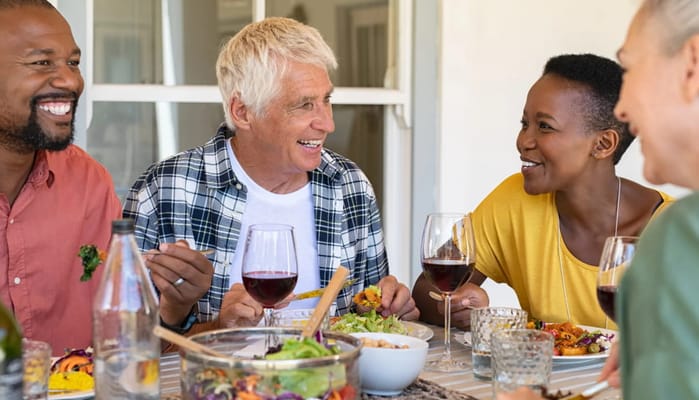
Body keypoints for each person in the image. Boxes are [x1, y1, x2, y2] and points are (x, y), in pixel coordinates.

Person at [123, 16, 419, 336]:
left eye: (326, 100)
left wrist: (387, 306)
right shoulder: (165, 190)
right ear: (243, 112)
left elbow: (372, 320)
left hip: (330, 383)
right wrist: (217, 328)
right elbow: (126, 343)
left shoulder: (349, 186)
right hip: (216, 384)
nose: (327, 124)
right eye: (304, 105)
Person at [500, 0, 699, 398]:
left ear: (691, 67)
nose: (623, 107)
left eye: (632, 69)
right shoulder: (679, 232)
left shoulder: (680, 235)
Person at [414, 53, 673, 331]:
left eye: (545, 127)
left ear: (603, 144)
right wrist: (457, 307)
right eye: (525, 123)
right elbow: (425, 289)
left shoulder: (673, 232)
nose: (523, 141)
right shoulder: (515, 200)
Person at [0, 0, 122, 355]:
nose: (71, 80)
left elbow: (119, 335)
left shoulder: (89, 183)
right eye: (42, 63)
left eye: (73, 63)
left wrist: (176, 305)